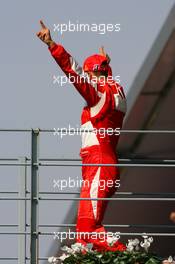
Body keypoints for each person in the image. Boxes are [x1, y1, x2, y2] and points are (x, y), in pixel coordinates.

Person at [37, 20, 127, 251]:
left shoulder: (97, 95)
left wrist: (52, 44)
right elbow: (108, 83)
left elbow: (73, 71)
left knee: (86, 232)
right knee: (83, 233)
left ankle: (130, 256)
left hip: (97, 164)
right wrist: (105, 65)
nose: (87, 77)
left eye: (90, 73)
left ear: (95, 74)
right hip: (103, 164)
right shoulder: (117, 94)